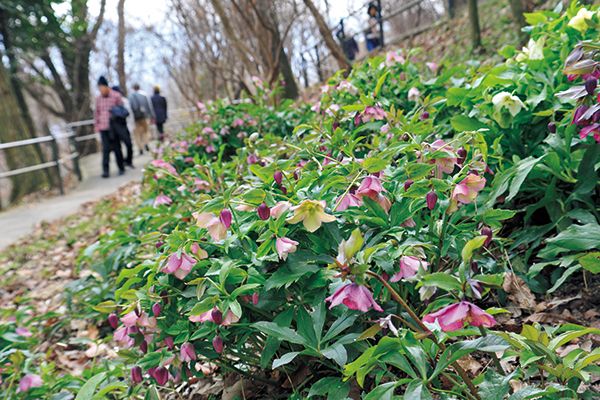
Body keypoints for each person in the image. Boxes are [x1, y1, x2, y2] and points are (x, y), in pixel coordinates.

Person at [94, 76, 125, 178]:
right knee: (106, 150)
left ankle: (121, 168)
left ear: (106, 87)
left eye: (102, 88)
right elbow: (96, 113)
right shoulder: (98, 99)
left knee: (117, 148)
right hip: (103, 128)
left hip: (114, 127)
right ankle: (105, 170)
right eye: (99, 88)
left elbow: (122, 110)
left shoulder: (116, 96)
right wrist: (97, 126)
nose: (101, 90)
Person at [111, 86, 134, 168]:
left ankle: (129, 161)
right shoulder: (109, 101)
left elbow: (129, 113)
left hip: (125, 125)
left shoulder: (124, 101)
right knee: (117, 147)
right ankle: (121, 164)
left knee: (129, 144)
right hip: (114, 128)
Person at [129, 83, 154, 155]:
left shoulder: (131, 96)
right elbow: (149, 106)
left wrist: (131, 119)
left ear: (133, 88)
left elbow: (130, 108)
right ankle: (146, 144)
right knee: (145, 132)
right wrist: (151, 116)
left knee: (137, 134)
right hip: (144, 116)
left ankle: (140, 148)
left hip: (135, 118)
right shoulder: (144, 95)